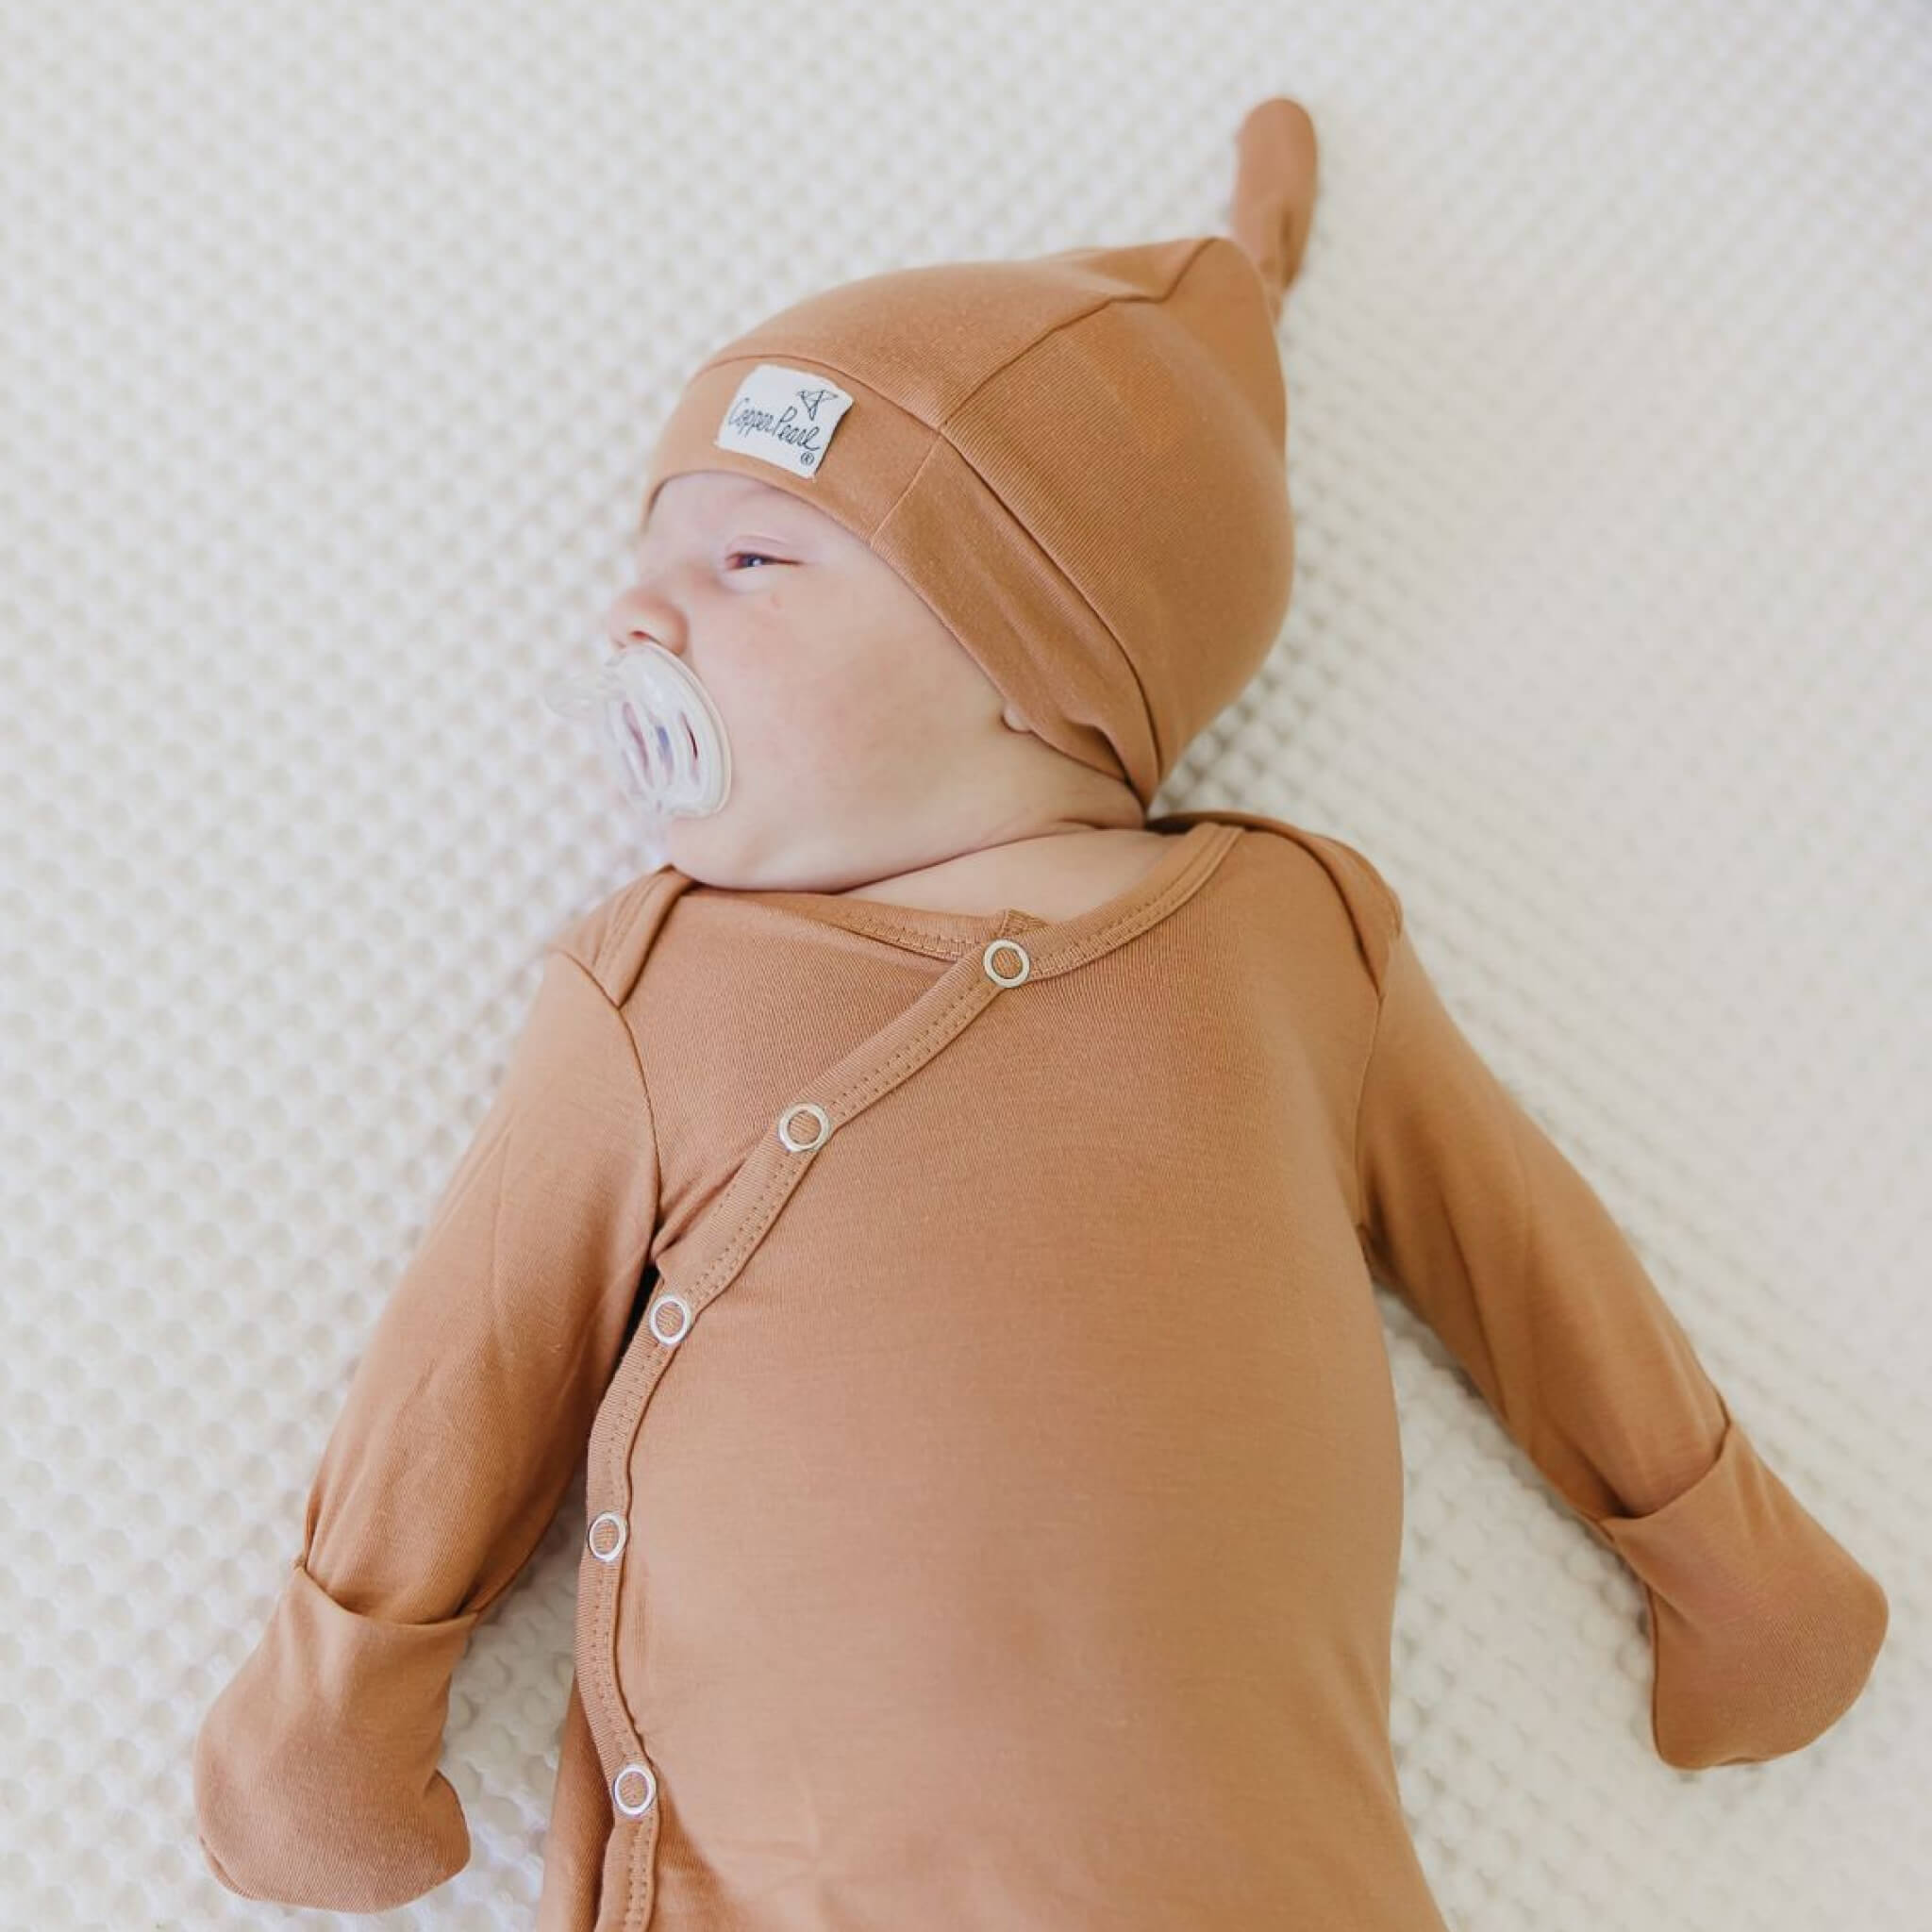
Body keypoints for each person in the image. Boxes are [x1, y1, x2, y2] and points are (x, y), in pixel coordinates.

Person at [191, 97, 1889, 1932]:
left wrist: (1727, 1557)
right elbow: (472, 1352)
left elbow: (1526, 1253)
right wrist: (332, 1709)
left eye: (751, 562)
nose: (636, 619)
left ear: (1039, 646)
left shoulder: (1285, 936)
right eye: (647, 559)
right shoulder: (662, 979)